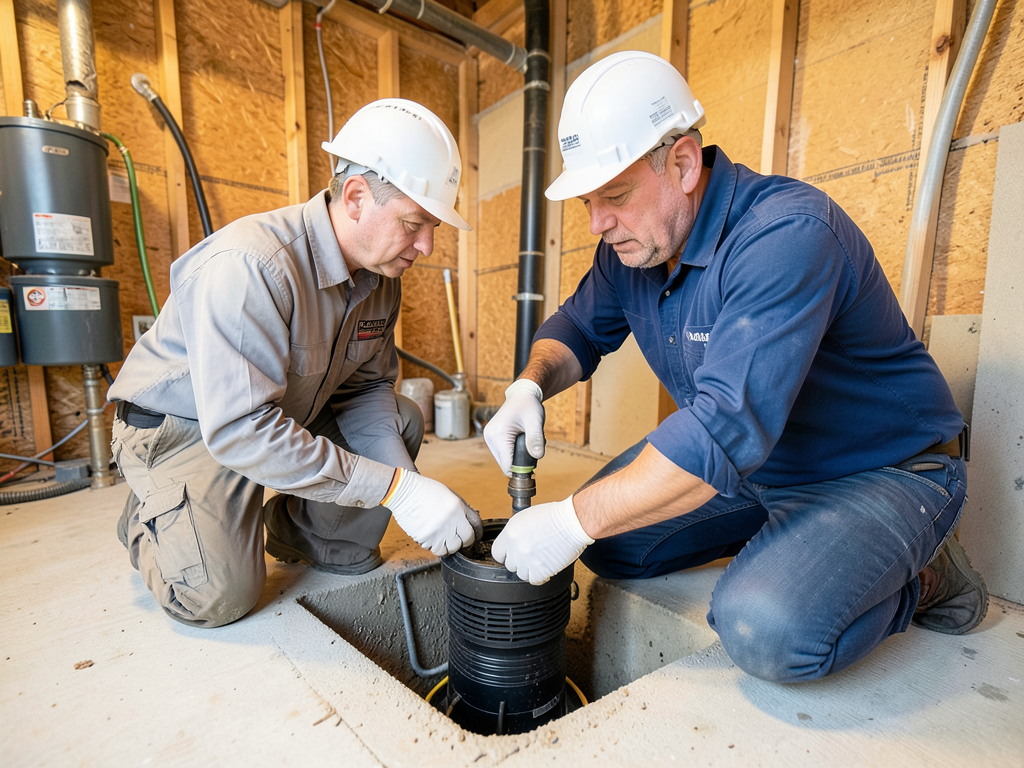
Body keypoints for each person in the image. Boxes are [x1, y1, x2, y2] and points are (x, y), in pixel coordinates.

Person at [483, 51, 988, 683]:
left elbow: (721, 430)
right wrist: (528, 386)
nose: (597, 224)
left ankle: (928, 577)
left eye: (613, 196)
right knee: (609, 542)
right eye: (588, 202)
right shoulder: (635, 247)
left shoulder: (786, 235)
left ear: (685, 163)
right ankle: (785, 541)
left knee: (765, 631)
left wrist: (569, 519)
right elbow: (577, 330)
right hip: (760, 467)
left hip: (878, 471)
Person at [110, 98, 482, 628]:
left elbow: (366, 391)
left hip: (279, 412)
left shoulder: (380, 282)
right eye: (414, 223)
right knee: (218, 597)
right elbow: (241, 429)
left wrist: (408, 485)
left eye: (432, 228)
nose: (425, 245)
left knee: (402, 419)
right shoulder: (252, 265)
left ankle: (302, 532)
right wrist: (396, 490)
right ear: (355, 197)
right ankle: (152, 516)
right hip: (187, 429)